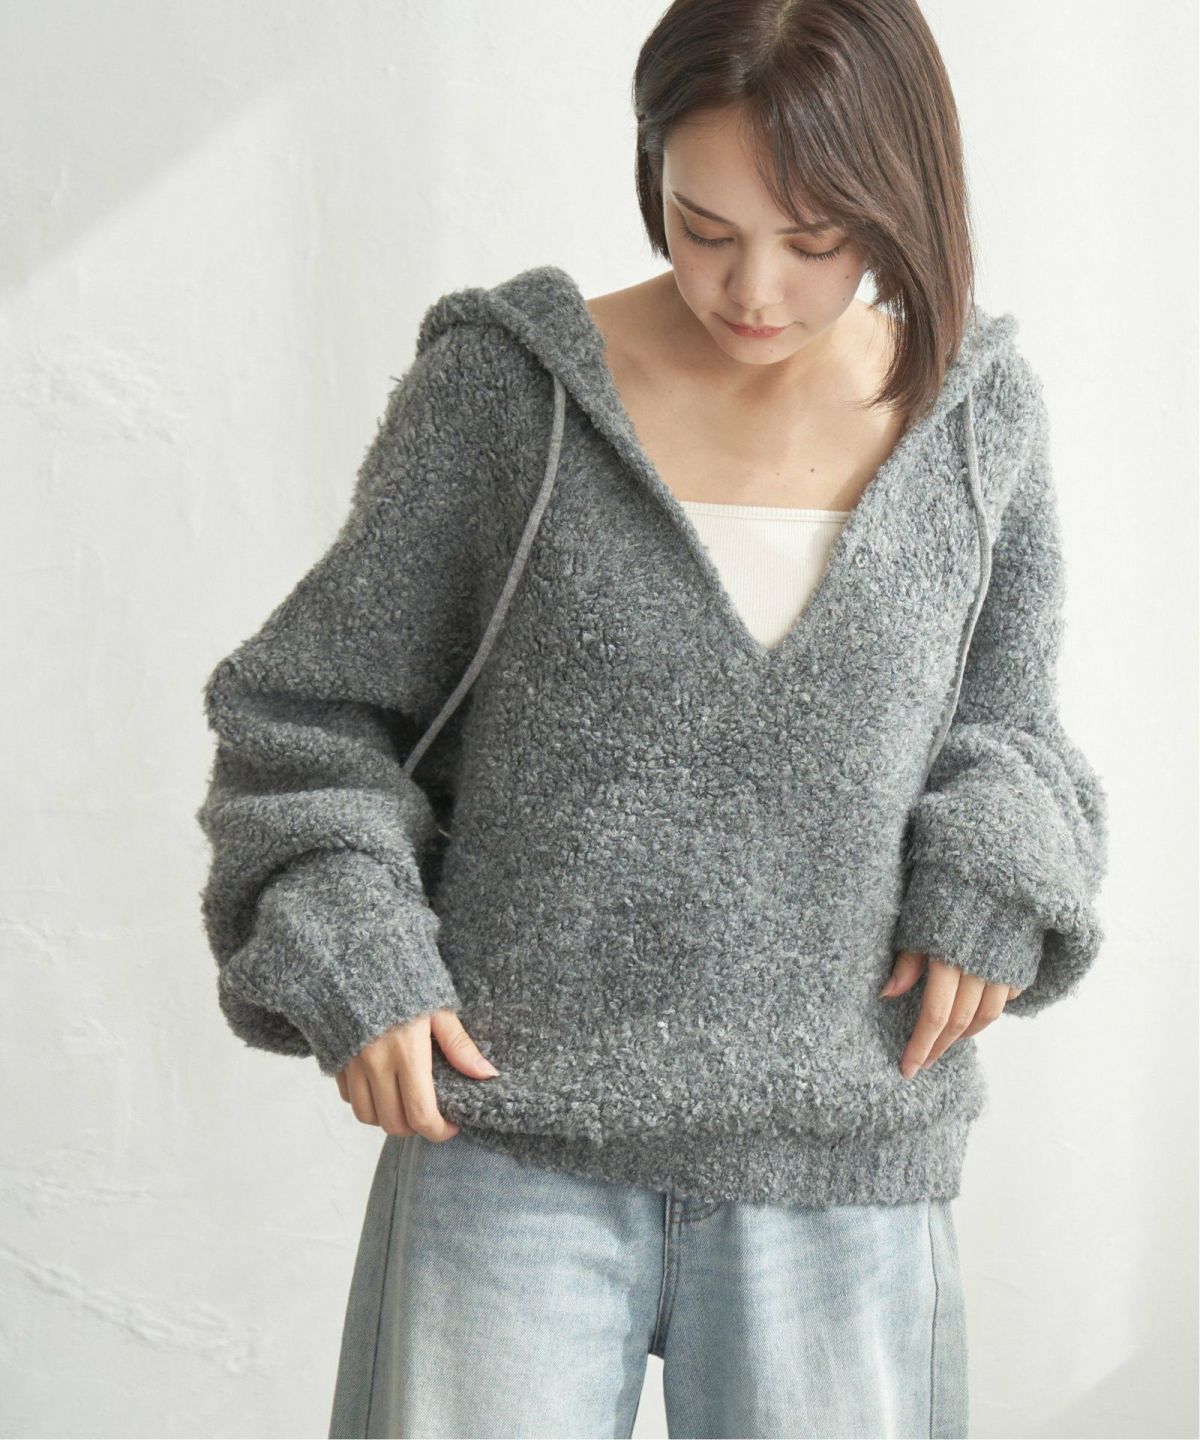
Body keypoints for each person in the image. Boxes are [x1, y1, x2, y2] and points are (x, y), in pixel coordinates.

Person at [194, 1, 1109, 1436]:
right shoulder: (509, 394)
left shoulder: (976, 421)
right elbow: (304, 721)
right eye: (704, 226)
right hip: (509, 1149)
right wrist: (355, 954)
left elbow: (1012, 726)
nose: (754, 290)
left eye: (817, 241)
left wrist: (994, 873)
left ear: (903, 201)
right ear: (651, 170)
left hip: (842, 1158)